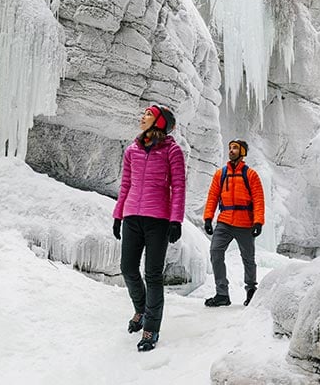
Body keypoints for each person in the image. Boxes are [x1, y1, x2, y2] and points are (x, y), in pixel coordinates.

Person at [112, 105, 185, 352]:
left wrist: (176, 220)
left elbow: (178, 186)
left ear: (160, 123)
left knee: (153, 275)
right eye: (144, 114)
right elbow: (125, 184)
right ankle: (141, 310)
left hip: (158, 219)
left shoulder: (172, 151)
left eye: (148, 114)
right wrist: (118, 215)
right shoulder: (132, 150)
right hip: (132, 215)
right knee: (127, 267)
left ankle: (151, 328)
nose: (142, 117)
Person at [203, 139, 265, 307]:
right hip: (224, 222)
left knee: (248, 258)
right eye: (230, 147)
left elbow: (258, 200)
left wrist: (258, 222)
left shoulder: (251, 175)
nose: (231, 150)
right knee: (215, 252)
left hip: (245, 222)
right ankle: (222, 293)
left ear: (242, 152)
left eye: (235, 148)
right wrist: (208, 218)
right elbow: (213, 197)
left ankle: (251, 290)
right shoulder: (220, 174)